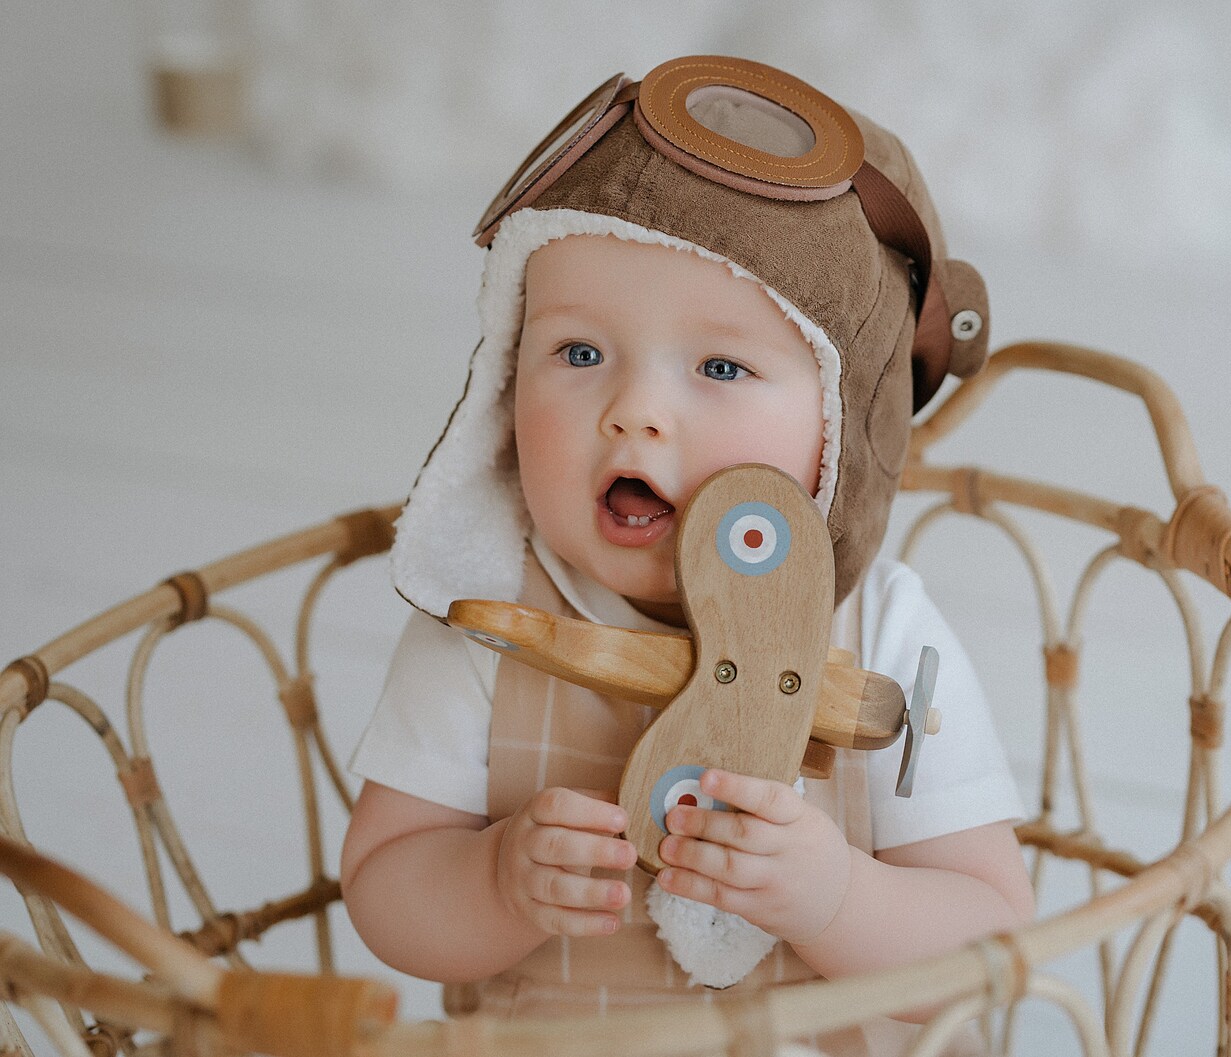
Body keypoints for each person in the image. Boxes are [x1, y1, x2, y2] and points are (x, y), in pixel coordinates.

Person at [340, 55, 1032, 1053]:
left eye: (719, 365)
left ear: (840, 429)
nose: (634, 412)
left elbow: (994, 937)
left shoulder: (883, 632)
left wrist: (836, 896)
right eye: (579, 352)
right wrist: (494, 882)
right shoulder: (487, 621)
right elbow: (383, 888)